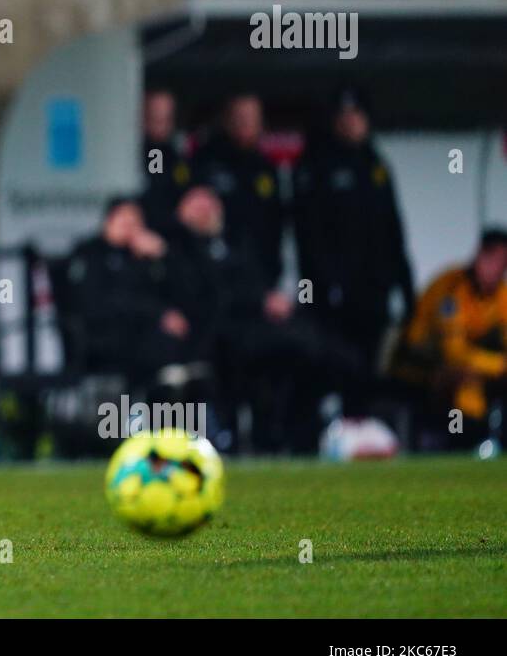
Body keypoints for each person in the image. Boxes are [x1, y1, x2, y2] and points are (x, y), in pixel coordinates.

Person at [168, 186, 361, 452]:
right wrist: (258, 300)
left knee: (318, 351)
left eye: (211, 206)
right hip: (220, 335)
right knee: (291, 350)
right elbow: (208, 298)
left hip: (259, 330)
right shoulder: (176, 251)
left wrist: (268, 299)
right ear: (182, 214)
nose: (206, 212)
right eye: (198, 208)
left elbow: (256, 284)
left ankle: (320, 426)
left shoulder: (236, 243)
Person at [293, 85, 413, 389]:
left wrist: (406, 285)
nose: (351, 123)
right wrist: (325, 285)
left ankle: (368, 428)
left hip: (374, 291)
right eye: (344, 116)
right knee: (336, 366)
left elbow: (393, 230)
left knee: (375, 368)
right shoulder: (316, 165)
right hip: (332, 297)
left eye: (356, 115)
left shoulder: (376, 164)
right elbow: (308, 236)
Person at [58, 197, 193, 394]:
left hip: (141, 333)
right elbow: (100, 301)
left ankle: (179, 413)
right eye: (124, 221)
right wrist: (158, 313)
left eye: (135, 223)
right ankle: (146, 415)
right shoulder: (89, 252)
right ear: (108, 221)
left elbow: (180, 291)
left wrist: (164, 254)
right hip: (99, 336)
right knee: (159, 349)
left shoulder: (143, 256)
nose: (130, 228)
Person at [395, 230, 507, 448]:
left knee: (472, 374)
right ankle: (459, 440)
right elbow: (453, 354)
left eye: (503, 265)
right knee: (460, 376)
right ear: (480, 257)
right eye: (494, 261)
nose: (498, 270)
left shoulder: (501, 295)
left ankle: (489, 439)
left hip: (468, 365)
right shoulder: (453, 290)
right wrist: (498, 365)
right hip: (419, 362)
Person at [190, 94, 284, 287]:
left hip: (260, 269)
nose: (246, 124)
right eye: (240, 117)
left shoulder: (265, 167)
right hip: (215, 270)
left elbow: (275, 223)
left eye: (251, 118)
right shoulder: (206, 162)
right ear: (227, 120)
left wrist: (274, 269)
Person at [139, 88, 191, 234]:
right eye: (155, 116)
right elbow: (157, 192)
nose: (162, 123)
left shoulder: (175, 151)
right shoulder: (154, 152)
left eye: (167, 117)